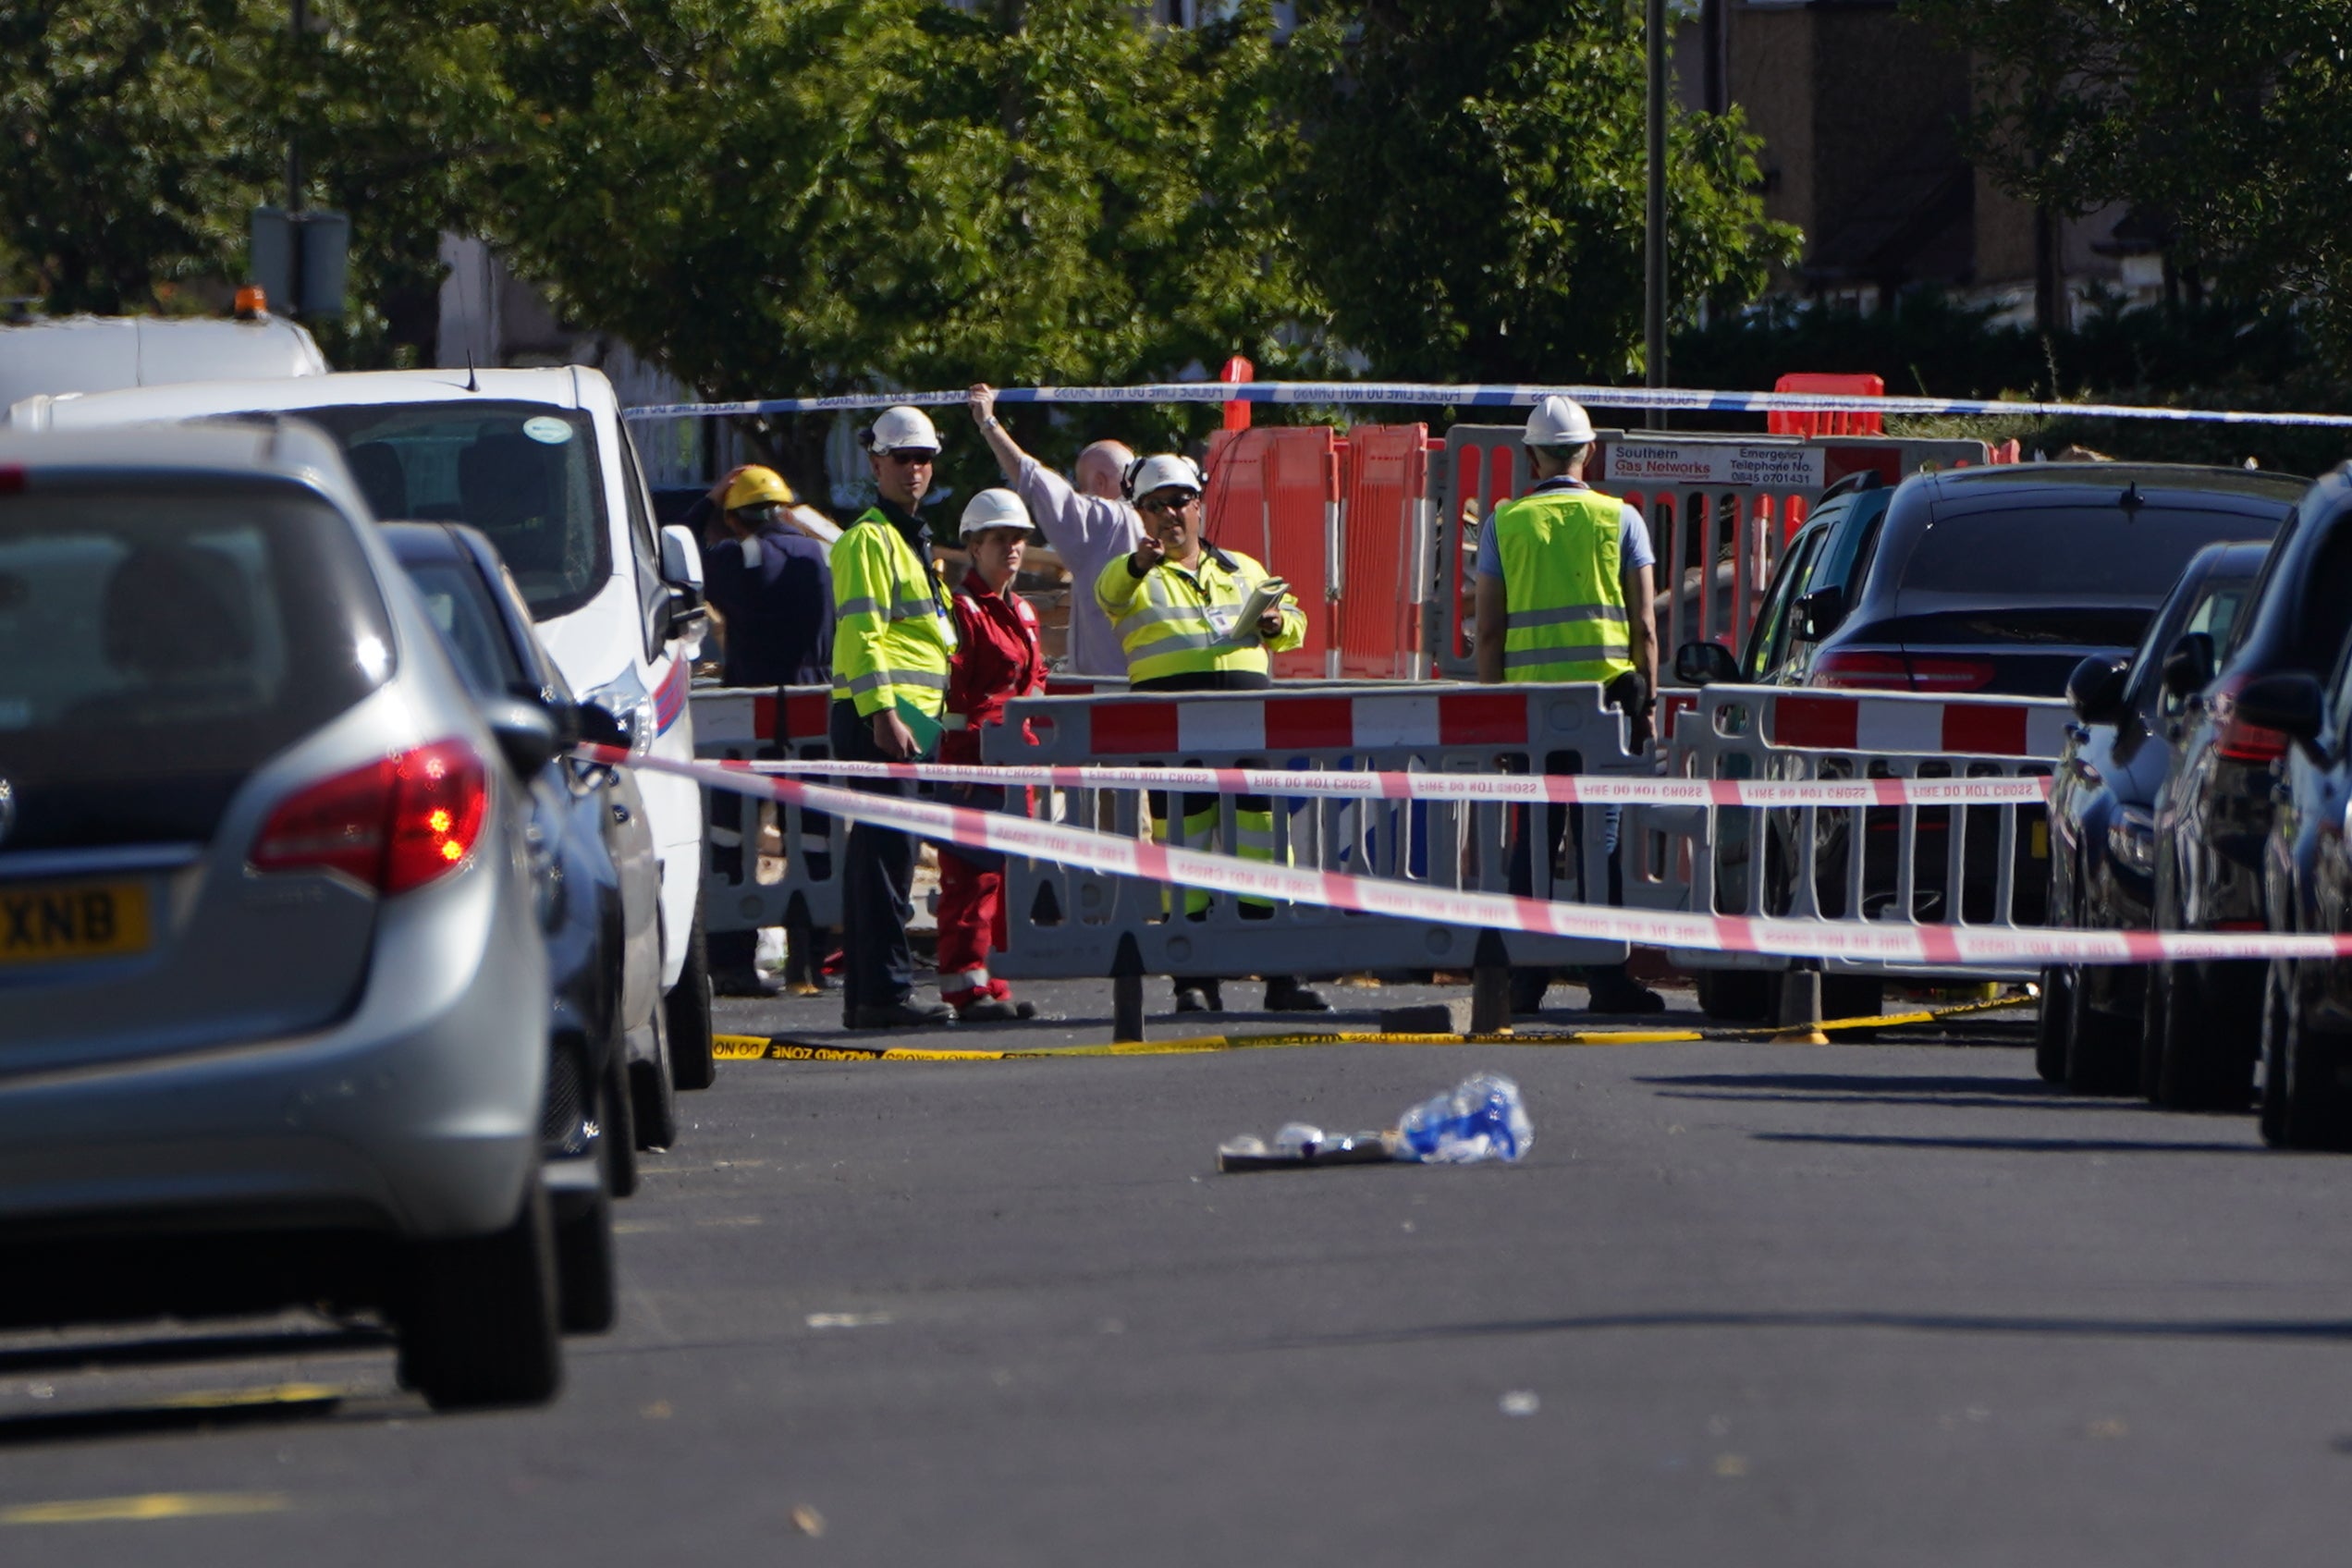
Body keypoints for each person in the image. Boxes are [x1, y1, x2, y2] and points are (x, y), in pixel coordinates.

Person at [1094, 453, 1331, 1016]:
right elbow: (1108, 595)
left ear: (1198, 504)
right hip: (1173, 736)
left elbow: (1294, 618)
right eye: (1155, 506)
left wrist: (1279, 624)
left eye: (1179, 501)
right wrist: (1136, 563)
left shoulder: (1243, 569)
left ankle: (1281, 979)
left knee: (1265, 850)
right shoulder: (1131, 572)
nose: (1169, 514)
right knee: (1186, 856)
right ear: (1140, 514)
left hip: (1247, 727)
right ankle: (1193, 982)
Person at [1473, 394, 1663, 1016]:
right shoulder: (1621, 519)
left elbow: (1491, 631)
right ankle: (1607, 980)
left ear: (1532, 456)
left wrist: (1494, 711)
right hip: (1603, 708)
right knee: (1598, 842)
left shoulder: (1506, 523)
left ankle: (1523, 980)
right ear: (1590, 451)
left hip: (1532, 710)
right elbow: (1644, 625)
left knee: (1535, 840)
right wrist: (1647, 705)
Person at [683, 464, 837, 998]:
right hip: (814, 709)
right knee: (814, 838)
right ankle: (810, 966)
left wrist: (708, 502)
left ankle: (732, 965)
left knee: (732, 838)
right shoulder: (822, 555)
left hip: (749, 715)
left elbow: (679, 560)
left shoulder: (739, 557)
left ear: (735, 517)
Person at [830, 405, 960, 1030]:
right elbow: (861, 633)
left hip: (911, 715)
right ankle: (883, 993)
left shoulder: (911, 538)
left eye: (924, 458)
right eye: (903, 458)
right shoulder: (869, 539)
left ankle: (871, 995)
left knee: (885, 857)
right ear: (875, 462)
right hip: (886, 715)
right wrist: (882, 710)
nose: (915, 469)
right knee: (886, 858)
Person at [935, 488, 1049, 1022]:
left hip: (1013, 763)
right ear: (974, 546)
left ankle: (991, 981)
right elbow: (952, 695)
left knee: (1002, 877)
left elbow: (1035, 680)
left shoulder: (1021, 610)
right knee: (971, 876)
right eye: (1000, 539)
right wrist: (958, 763)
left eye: (1018, 539)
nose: (1012, 548)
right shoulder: (962, 612)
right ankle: (966, 986)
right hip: (974, 763)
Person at [968, 384, 1142, 677]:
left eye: (1083, 489)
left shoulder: (1108, 520)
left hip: (1110, 690)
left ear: (1100, 483)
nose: (1081, 497)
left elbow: (1034, 481)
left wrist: (988, 423)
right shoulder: (1163, 515)